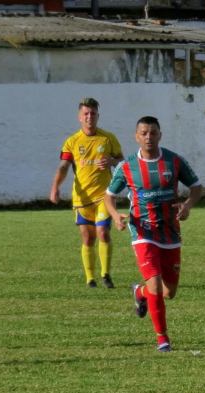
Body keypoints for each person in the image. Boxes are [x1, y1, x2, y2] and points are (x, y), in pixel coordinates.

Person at [103, 116, 202, 353]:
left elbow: (197, 187)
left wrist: (187, 205)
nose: (148, 137)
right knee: (156, 285)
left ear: (160, 134)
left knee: (170, 291)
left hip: (169, 230)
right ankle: (163, 340)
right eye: (144, 133)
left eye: (153, 133)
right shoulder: (126, 167)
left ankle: (139, 291)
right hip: (142, 230)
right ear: (136, 136)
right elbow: (109, 196)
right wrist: (116, 216)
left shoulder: (173, 161)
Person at [49, 97, 124, 289]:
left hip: (104, 196)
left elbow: (121, 161)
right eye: (86, 113)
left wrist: (111, 162)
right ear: (79, 117)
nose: (89, 116)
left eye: (93, 113)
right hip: (82, 198)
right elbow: (64, 166)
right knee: (87, 237)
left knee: (102, 233)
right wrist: (55, 187)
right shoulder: (72, 142)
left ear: (98, 116)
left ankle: (106, 275)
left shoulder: (108, 138)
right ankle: (90, 279)